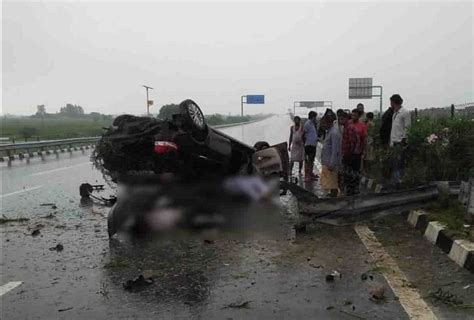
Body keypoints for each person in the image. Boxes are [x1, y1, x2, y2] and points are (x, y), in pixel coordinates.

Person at [389, 94, 411, 187]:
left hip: (400, 142)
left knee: (399, 163)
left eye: (391, 102)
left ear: (394, 102)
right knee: (394, 163)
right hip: (393, 142)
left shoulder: (405, 113)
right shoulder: (395, 113)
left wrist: (404, 139)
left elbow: (408, 127)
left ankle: (400, 182)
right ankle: (396, 182)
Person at [320, 112, 341, 197]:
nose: (323, 125)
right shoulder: (329, 131)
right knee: (329, 183)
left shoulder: (334, 133)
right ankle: (332, 195)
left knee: (333, 183)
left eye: (324, 123)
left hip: (331, 163)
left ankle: (334, 198)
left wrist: (332, 163)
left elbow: (335, 150)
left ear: (329, 123)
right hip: (327, 161)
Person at [340, 111, 360, 196]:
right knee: (348, 176)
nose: (340, 121)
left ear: (345, 118)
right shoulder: (346, 127)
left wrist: (351, 154)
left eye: (341, 119)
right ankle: (350, 191)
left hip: (350, 155)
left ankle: (351, 193)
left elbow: (352, 142)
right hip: (347, 154)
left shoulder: (349, 128)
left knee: (349, 176)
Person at [303, 111, 318, 182]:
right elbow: (303, 134)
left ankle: (310, 174)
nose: (316, 118)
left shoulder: (312, 123)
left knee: (311, 161)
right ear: (313, 117)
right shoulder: (307, 124)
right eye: (315, 117)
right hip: (308, 145)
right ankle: (307, 176)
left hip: (312, 144)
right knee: (308, 161)